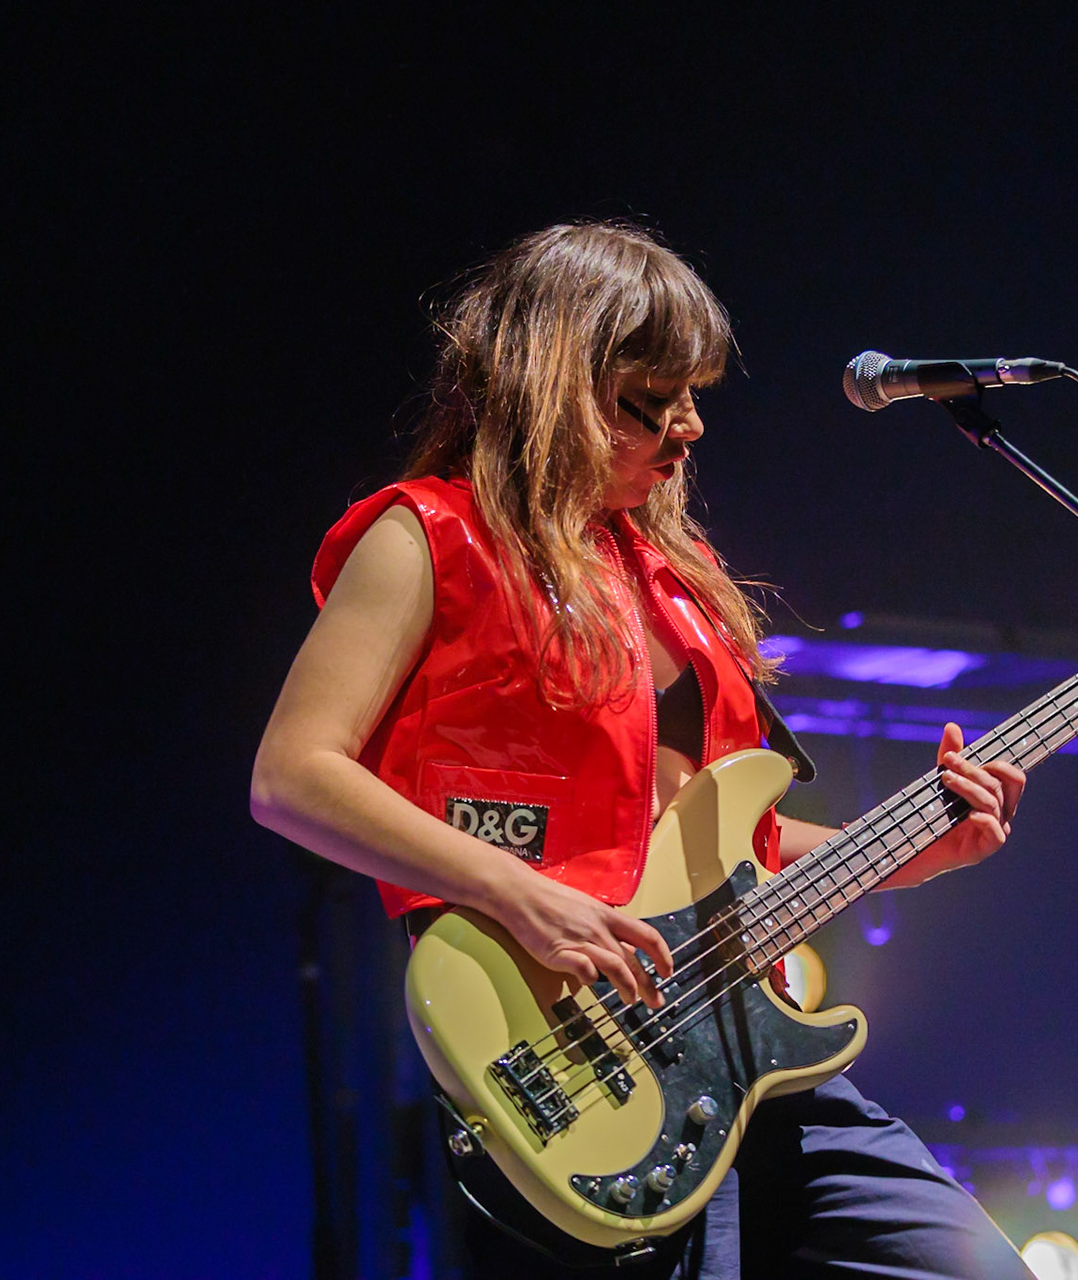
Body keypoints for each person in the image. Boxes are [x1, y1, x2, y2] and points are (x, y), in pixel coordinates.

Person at [251, 222, 1032, 1278]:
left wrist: (909, 849)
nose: (689, 427)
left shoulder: (674, 576)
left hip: (750, 1035)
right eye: (649, 399)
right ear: (548, 381)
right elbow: (292, 775)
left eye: (694, 395)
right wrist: (516, 890)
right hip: (579, 1045)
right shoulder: (427, 538)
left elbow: (721, 838)